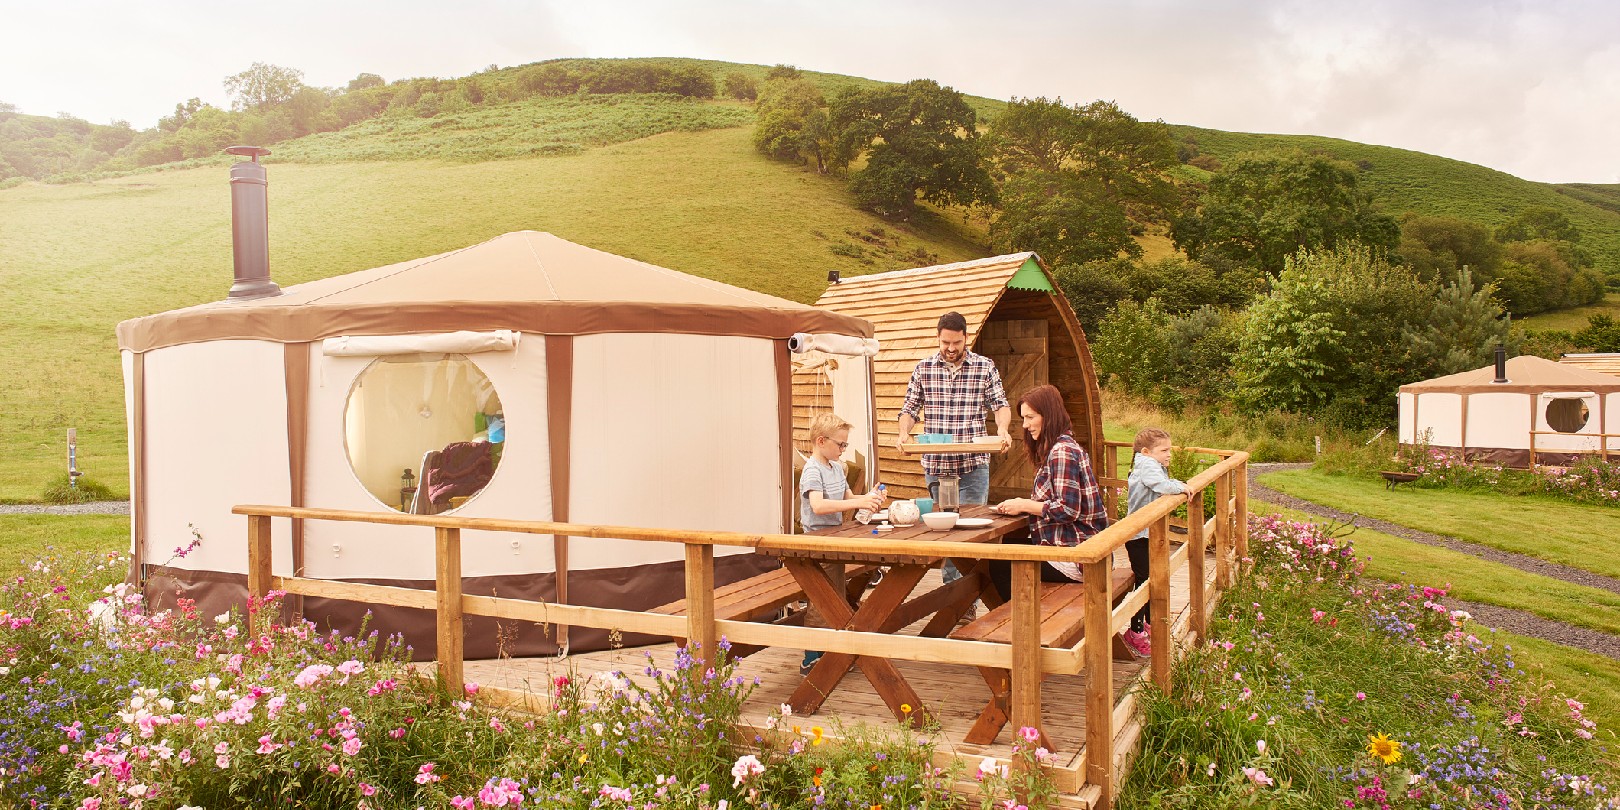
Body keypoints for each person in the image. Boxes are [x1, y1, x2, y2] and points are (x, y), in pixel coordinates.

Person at [896, 311, 1013, 587]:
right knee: (943, 531)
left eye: (956, 343)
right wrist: (904, 433)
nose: (950, 349)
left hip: (972, 465)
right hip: (937, 466)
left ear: (965, 338)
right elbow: (909, 409)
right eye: (945, 343)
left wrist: (1003, 430)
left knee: (971, 531)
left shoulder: (984, 367)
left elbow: (1000, 405)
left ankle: (967, 595)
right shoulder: (923, 369)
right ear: (938, 338)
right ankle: (952, 594)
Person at [988, 384, 1109, 599]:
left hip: (1078, 557)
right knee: (1009, 546)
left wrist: (1023, 505)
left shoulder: (1062, 452)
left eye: (1030, 417)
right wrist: (1021, 504)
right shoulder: (1062, 446)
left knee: (1000, 564)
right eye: (1023, 419)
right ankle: (1021, 620)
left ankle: (1022, 626)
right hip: (1079, 550)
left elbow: (1067, 509)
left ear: (1049, 415)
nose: (1025, 425)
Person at [799, 412, 885, 674]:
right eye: (841, 444)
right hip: (817, 543)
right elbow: (819, 505)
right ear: (821, 441)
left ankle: (832, 651)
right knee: (822, 598)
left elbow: (848, 496)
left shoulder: (837, 467)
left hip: (835, 539)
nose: (843, 449)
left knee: (835, 594)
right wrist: (858, 502)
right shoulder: (812, 470)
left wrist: (869, 497)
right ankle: (812, 657)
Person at [1121, 427, 1186, 658]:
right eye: (1164, 450)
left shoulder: (1148, 464)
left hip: (1145, 534)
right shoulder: (1148, 465)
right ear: (1147, 451)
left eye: (1170, 449)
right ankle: (1135, 632)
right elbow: (1163, 486)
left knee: (1150, 579)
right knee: (1144, 583)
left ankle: (1146, 625)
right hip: (1138, 536)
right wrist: (1183, 487)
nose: (1169, 454)